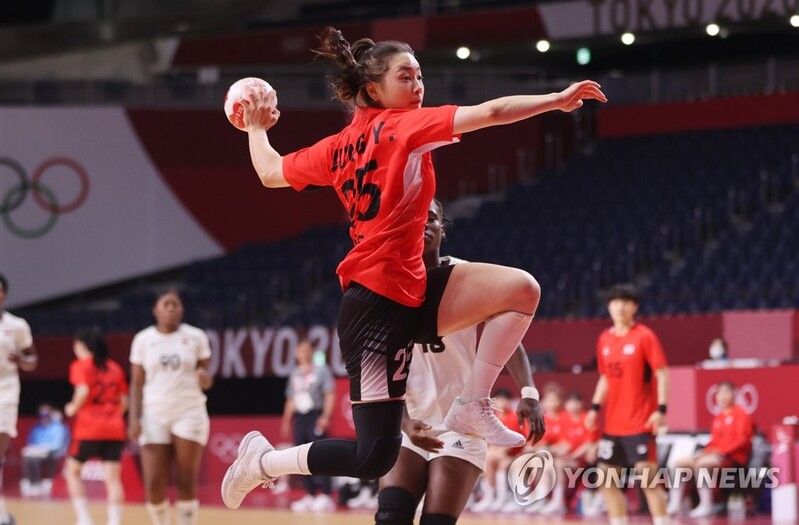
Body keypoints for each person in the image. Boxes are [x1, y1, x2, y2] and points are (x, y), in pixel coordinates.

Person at [221, 26, 606, 511]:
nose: (418, 85)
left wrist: (257, 130)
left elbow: (270, 172)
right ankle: (263, 463)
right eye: (406, 76)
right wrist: (555, 99)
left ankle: (472, 402)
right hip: (375, 307)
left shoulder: (339, 145)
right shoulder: (402, 126)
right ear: (373, 90)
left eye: (420, 75)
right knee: (374, 455)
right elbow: (489, 113)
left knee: (521, 290)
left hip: (415, 289)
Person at [377, 199, 545, 525]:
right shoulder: (388, 285)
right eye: (416, 218)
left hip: (461, 426)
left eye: (433, 219)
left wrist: (529, 392)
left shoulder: (466, 276)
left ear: (443, 228)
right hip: (410, 420)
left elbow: (509, 337)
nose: (424, 224)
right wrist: (405, 422)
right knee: (390, 517)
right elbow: (379, 368)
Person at [585, 283, 670, 525]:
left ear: (635, 307)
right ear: (609, 307)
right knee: (606, 482)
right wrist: (594, 408)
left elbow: (662, 373)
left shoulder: (645, 336)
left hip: (641, 423)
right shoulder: (605, 339)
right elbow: (605, 377)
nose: (620, 306)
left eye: (626, 302)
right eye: (615, 302)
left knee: (649, 482)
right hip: (613, 426)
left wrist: (661, 410)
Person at [129, 290, 213, 525]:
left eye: (175, 304)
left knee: (185, 480)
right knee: (154, 483)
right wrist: (133, 419)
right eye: (165, 304)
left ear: (182, 309)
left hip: (189, 411)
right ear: (155, 309)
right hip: (153, 414)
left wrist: (205, 378)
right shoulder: (143, 340)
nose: (170, 308)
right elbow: (136, 382)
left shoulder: (196, 337)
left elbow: (206, 374)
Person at [64, 328, 129, 525]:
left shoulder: (80, 366)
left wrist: (72, 408)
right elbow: (124, 401)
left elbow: (83, 390)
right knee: (113, 479)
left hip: (89, 428)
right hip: (115, 427)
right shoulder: (115, 368)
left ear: (83, 345)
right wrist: (112, 414)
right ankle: (114, 522)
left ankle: (84, 520)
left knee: (72, 472)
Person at [667, 380, 754, 518]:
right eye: (719, 394)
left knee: (703, 464)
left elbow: (742, 440)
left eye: (726, 393)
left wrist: (722, 451)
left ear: (733, 394)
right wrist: (703, 452)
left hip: (733, 457)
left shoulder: (741, 414)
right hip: (715, 455)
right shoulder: (718, 417)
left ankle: (706, 504)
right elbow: (714, 442)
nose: (722, 397)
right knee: (680, 463)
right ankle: (675, 502)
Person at [280, 339, 336, 512]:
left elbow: (329, 394)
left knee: (321, 453)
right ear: (296, 354)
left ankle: (326, 495)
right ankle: (310, 494)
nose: (303, 353)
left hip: (315, 415)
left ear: (311, 352)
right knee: (300, 456)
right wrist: (286, 420)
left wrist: (326, 416)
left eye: (306, 350)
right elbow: (291, 399)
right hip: (300, 417)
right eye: (300, 350)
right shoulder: (295, 374)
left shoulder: (321, 371)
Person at [0, 273, 38, 525]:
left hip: (6, 391)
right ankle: (3, 513)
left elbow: (33, 361)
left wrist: (22, 361)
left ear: (4, 294)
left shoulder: (18, 325)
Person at [539, 391, 599, 516]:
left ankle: (558, 501)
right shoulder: (564, 418)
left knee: (559, 464)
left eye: (576, 402)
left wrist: (573, 455)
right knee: (552, 462)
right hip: (569, 459)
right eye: (570, 402)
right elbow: (564, 443)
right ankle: (553, 500)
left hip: (585, 461)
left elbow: (588, 444)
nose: (573, 405)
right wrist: (561, 451)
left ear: (581, 404)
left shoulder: (587, 418)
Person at [20, 403, 69, 496]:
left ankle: (38, 483)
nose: (44, 417)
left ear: (51, 414)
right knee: (28, 458)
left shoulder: (58, 427)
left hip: (52, 453)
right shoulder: (37, 427)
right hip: (37, 451)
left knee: (36, 459)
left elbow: (57, 444)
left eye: (46, 415)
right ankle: (32, 483)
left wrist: (44, 447)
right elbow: (31, 441)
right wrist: (34, 448)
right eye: (42, 415)